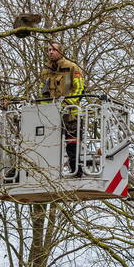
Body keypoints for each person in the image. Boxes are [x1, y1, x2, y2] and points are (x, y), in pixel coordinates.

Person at [39, 42, 85, 175]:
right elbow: (43, 92)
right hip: (51, 114)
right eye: (49, 50)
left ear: (61, 52)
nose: (51, 52)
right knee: (48, 144)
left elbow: (79, 88)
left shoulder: (72, 67)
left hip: (70, 114)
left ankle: (76, 171)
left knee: (72, 144)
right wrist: (45, 110)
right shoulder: (45, 71)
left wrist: (67, 103)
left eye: (53, 50)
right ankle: (48, 173)